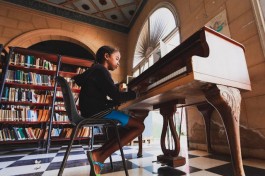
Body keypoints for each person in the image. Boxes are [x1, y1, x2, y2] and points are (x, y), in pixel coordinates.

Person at [73, 45, 145, 176]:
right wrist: (136, 94)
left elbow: (107, 98)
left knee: (124, 129)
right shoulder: (101, 71)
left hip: (91, 111)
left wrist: (116, 101)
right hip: (97, 112)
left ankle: (98, 154)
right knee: (139, 126)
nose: (118, 63)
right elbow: (116, 96)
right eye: (117, 58)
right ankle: (99, 156)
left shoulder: (95, 70)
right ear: (106, 56)